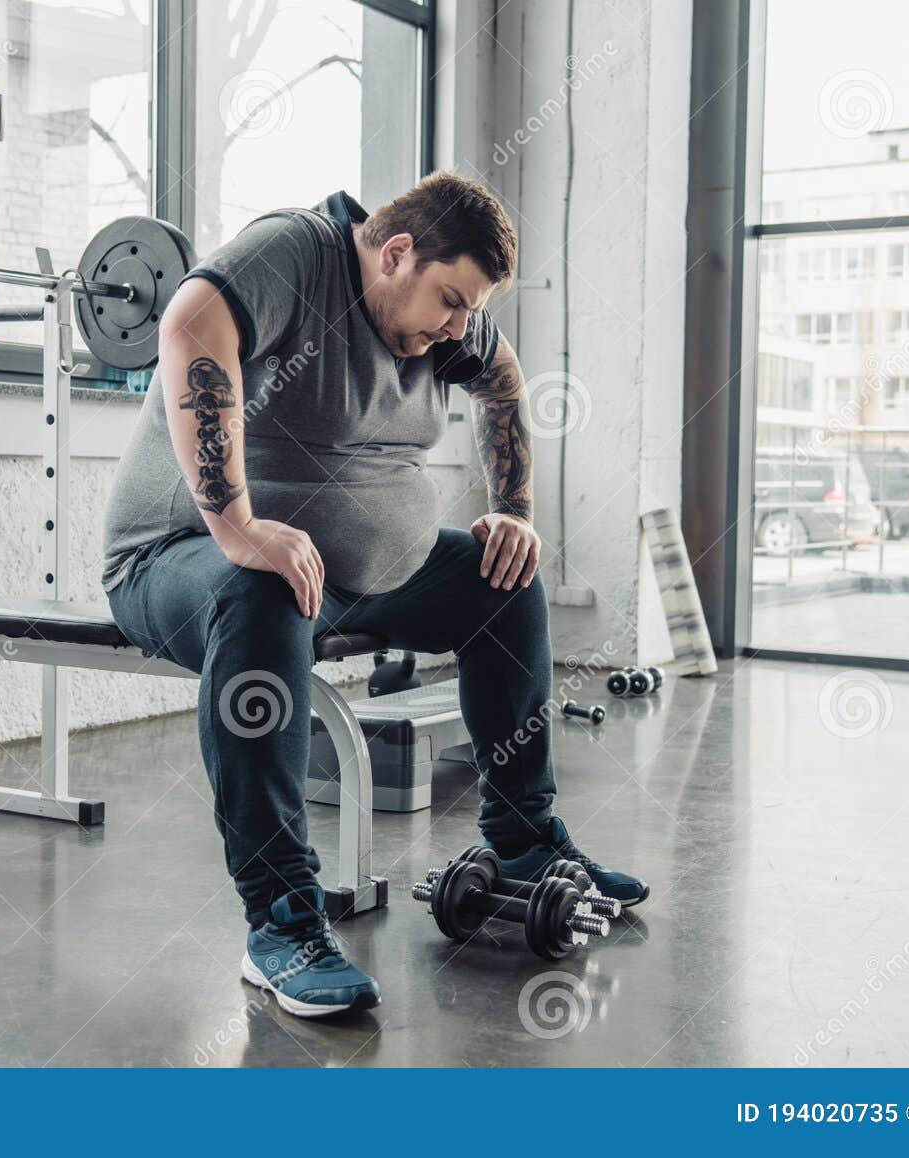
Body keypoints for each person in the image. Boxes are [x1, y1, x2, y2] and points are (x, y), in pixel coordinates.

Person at [102, 172, 648, 1019]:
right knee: (260, 588)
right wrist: (239, 524)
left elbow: (502, 379)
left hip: (345, 577)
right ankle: (283, 922)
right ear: (396, 254)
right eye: (450, 301)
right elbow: (188, 326)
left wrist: (513, 514)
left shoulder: (437, 326)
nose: (458, 327)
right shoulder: (299, 253)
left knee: (501, 578)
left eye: (468, 310)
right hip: (175, 561)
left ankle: (525, 846)